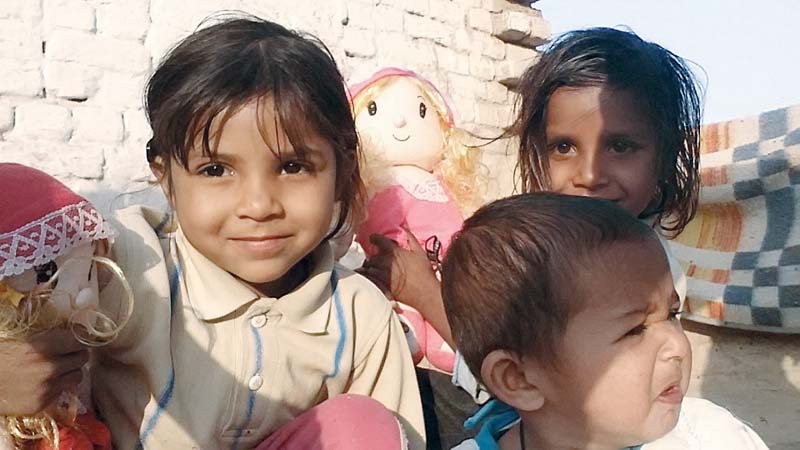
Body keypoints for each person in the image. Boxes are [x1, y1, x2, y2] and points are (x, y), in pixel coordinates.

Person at [87, 15, 423, 450]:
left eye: (292, 166)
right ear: (166, 177)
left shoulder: (360, 315)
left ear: (341, 173)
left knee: (363, 428)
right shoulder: (132, 266)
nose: (260, 206)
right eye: (216, 170)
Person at [359, 27, 703, 449]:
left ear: (665, 157)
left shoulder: (650, 270)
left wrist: (426, 294)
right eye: (564, 147)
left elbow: (493, 355)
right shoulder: (537, 246)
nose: (590, 174)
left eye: (620, 146)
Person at [445, 193, 768, 450]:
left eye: (672, 314)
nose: (677, 346)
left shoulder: (708, 436)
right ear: (520, 379)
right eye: (635, 329)